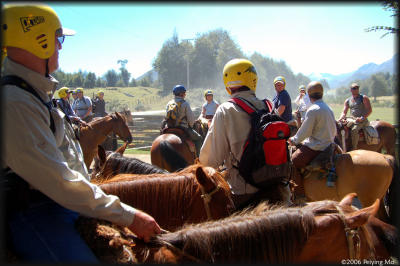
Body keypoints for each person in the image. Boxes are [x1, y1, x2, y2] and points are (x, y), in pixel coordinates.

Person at [1, 3, 160, 263]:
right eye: (58, 38)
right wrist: (129, 216)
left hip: (58, 203)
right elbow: (59, 181)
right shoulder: (16, 102)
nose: (60, 46)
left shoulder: (32, 93)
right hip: (35, 211)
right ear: (38, 41)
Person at [199, 58, 292, 207]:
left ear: (227, 83)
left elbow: (210, 160)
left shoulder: (225, 110)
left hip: (244, 193)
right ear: (253, 80)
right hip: (280, 187)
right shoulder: (269, 105)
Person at [288, 81, 336, 201]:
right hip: (329, 144)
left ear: (309, 95)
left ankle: (300, 196)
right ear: (322, 94)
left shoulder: (313, 110)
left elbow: (304, 132)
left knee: (292, 162)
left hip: (316, 147)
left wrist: (293, 140)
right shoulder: (328, 108)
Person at [164, 84, 202, 156]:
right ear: (181, 93)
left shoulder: (169, 103)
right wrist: (191, 125)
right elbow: (191, 119)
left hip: (169, 127)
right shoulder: (185, 103)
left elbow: (166, 116)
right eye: (184, 92)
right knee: (199, 139)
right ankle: (197, 158)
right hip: (182, 128)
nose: (185, 94)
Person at [338, 82, 372, 150]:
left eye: (357, 88)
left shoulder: (364, 98)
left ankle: (354, 148)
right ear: (351, 90)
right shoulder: (348, 100)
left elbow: (369, 110)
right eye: (354, 88)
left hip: (362, 120)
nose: (356, 89)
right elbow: (344, 112)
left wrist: (362, 118)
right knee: (340, 127)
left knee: (354, 130)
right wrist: (341, 118)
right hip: (352, 119)